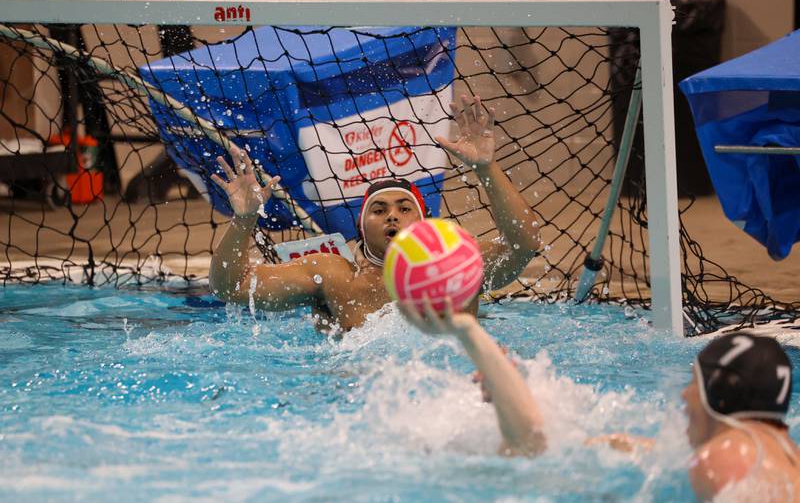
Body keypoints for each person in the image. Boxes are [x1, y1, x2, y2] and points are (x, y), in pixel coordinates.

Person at [399, 299, 798, 500]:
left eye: (692, 381)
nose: (683, 394)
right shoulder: (778, 451)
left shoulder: (725, 457)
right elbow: (563, 447)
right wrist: (512, 390)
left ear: (718, 391)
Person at [209, 95, 542, 330]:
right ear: (361, 226)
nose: (392, 216)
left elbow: (524, 245)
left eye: (404, 208)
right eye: (379, 210)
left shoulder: (454, 265)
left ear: (424, 222)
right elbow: (232, 288)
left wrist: (486, 168)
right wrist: (244, 220)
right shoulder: (335, 276)